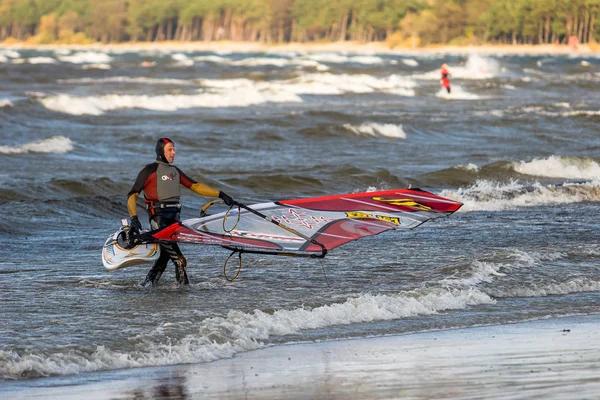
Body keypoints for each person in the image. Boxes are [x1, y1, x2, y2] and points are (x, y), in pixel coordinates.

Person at [127, 138, 237, 286]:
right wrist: (134, 218)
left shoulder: (175, 171)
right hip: (159, 220)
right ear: (161, 151)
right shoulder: (149, 170)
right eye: (170, 149)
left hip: (175, 219)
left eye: (174, 149)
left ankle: (146, 286)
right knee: (179, 259)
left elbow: (195, 186)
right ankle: (183, 291)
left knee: (165, 257)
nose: (174, 152)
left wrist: (221, 194)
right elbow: (132, 195)